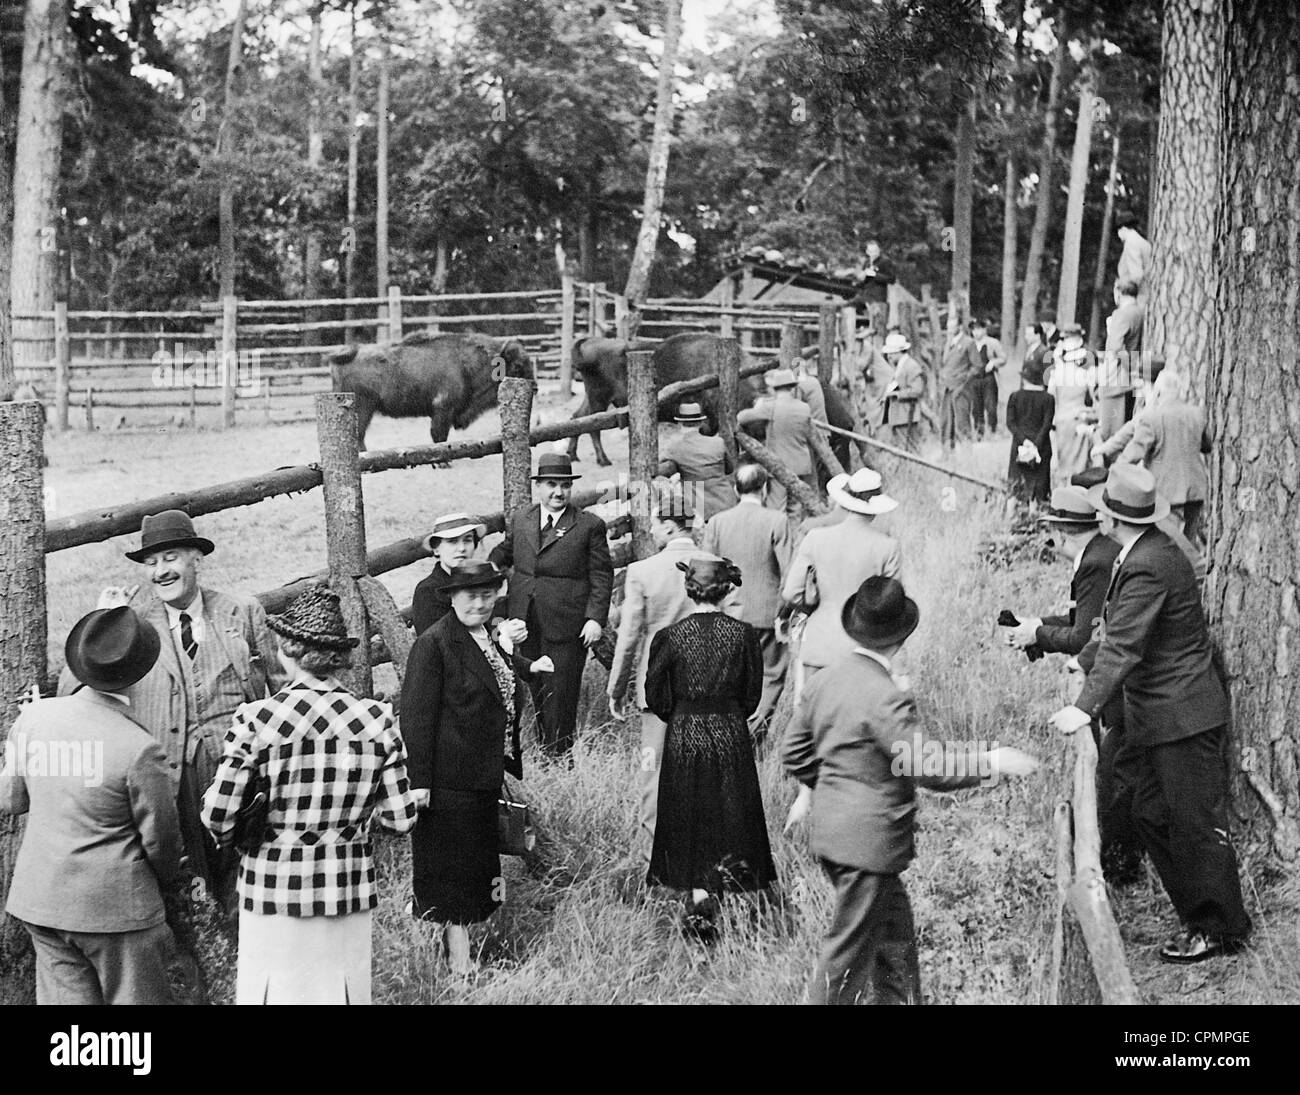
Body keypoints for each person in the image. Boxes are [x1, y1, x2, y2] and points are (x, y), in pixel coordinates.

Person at [783, 576, 1039, 1005]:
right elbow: (926, 764)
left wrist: (835, 788)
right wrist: (993, 761)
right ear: (901, 637)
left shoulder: (824, 681)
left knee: (894, 942)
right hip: (867, 845)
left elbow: (794, 753)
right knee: (844, 959)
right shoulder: (886, 695)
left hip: (837, 838)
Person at [1049, 465, 1251, 964]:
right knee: (1147, 811)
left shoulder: (1148, 562)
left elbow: (1122, 646)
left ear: (1112, 518)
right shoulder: (1141, 551)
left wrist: (1082, 708)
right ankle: (1198, 913)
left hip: (1182, 715)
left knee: (1194, 825)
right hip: (1160, 716)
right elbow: (1112, 630)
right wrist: (1082, 660)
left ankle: (1220, 928)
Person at [201, 585, 419, 1004]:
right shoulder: (377, 719)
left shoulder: (256, 720)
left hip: (271, 888)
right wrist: (351, 824)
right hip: (346, 888)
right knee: (340, 994)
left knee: (274, 993)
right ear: (340, 656)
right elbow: (401, 818)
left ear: (285, 650)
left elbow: (217, 815)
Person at [63, 510, 282, 925]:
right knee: (187, 887)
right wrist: (102, 623)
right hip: (171, 778)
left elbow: (282, 690)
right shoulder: (133, 625)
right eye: (151, 563)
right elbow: (73, 692)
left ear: (195, 559)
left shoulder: (242, 612)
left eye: (171, 558)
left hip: (240, 773)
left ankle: (248, 958)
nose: (161, 571)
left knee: (247, 875)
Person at [1, 607, 181, 1005]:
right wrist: (171, 882)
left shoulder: (33, 720)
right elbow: (162, 843)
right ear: (142, 672)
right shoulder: (139, 748)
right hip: (118, 911)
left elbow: (10, 800)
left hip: (43, 902)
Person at [401, 561, 543, 976]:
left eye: (487, 595)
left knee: (474, 869)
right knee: (452, 873)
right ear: (450, 597)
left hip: (481, 774)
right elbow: (416, 717)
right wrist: (420, 782)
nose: (479, 603)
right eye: (470, 596)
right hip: (448, 781)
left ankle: (467, 954)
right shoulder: (434, 644)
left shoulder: (485, 638)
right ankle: (458, 968)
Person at [1003, 487, 1142, 882]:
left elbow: (1087, 637)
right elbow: (1086, 622)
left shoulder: (1095, 563)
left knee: (1115, 771)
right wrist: (1037, 627)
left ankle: (1117, 862)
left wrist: (1039, 635)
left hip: (1125, 684)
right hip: (1120, 676)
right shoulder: (1098, 554)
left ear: (1062, 532)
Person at [644, 557, 774, 938]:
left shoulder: (669, 637)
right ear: (726, 590)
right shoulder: (744, 635)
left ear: (690, 590)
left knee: (689, 811)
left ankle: (700, 898)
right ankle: (722, 887)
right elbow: (753, 696)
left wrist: (681, 713)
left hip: (685, 733)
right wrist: (728, 713)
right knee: (730, 811)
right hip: (730, 732)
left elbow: (655, 694)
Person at [490, 452, 614, 756]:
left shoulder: (588, 526)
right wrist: (492, 563)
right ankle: (542, 744)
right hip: (525, 620)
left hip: (567, 622)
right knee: (535, 683)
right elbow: (509, 549)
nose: (558, 492)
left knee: (561, 688)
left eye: (564, 485)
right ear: (539, 486)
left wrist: (595, 619)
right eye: (550, 484)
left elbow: (601, 575)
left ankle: (559, 755)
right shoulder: (523, 518)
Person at [607, 491, 700, 865]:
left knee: (654, 770)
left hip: (657, 687)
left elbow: (629, 636)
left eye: (655, 524)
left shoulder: (643, 572)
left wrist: (617, 688)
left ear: (667, 525)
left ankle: (654, 855)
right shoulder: (716, 565)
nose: (651, 530)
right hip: (704, 684)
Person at [780, 468, 902, 694]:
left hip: (818, 645)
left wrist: (812, 602)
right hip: (864, 649)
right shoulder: (887, 547)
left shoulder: (815, 538)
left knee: (812, 718)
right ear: (874, 510)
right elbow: (893, 605)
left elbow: (791, 593)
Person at [700, 463, 794, 737]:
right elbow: (788, 571)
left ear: (735, 489)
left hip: (728, 614)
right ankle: (752, 732)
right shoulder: (777, 521)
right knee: (770, 676)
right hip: (766, 614)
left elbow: (706, 572)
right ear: (764, 489)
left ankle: (732, 732)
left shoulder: (717, 522)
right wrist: (785, 614)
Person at [1116, 369, 1210, 545]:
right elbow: (1207, 445)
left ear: (1158, 392)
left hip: (1166, 492)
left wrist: (1114, 470)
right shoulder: (1197, 414)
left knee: (1167, 542)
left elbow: (1134, 454)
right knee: (1188, 542)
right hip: (1196, 489)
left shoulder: (1151, 418)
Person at [737, 368, 817, 518]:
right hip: (801, 465)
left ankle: (779, 538)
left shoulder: (770, 406)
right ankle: (795, 538)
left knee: (777, 508)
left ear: (775, 388)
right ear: (792, 387)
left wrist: (758, 406)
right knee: (795, 508)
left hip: (779, 465)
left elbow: (741, 417)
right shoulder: (804, 407)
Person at [657, 401, 736, 524]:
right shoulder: (718, 443)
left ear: (679, 424)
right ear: (700, 423)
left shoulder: (675, 448)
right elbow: (729, 469)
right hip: (727, 504)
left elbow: (658, 468)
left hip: (700, 511)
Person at [1097, 280, 1145, 441]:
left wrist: (1130, 368)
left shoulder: (1123, 314)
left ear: (1119, 293)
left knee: (1111, 432)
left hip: (1116, 381)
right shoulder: (1139, 311)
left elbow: (1116, 345)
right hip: (1126, 380)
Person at [1004, 352, 1055, 503]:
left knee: (1016, 484)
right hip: (1042, 447)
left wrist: (1024, 441)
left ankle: (1011, 518)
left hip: (1019, 446)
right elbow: (1047, 424)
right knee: (1039, 487)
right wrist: (1036, 444)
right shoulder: (1048, 399)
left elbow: (1010, 423)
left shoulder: (1015, 397)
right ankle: (1036, 518)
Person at [1048, 325, 1094, 486]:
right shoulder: (1085, 374)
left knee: (1062, 463)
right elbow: (1094, 398)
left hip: (1060, 419)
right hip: (1079, 418)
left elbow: (1051, 398)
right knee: (1079, 464)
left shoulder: (1056, 375)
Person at [937, 319, 983, 448]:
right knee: (946, 421)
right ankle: (947, 452)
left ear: (959, 327)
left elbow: (977, 366)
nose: (950, 330)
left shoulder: (968, 343)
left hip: (962, 388)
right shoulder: (947, 343)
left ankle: (966, 451)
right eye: (948, 327)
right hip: (947, 387)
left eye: (952, 327)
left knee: (961, 420)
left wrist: (963, 378)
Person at [876, 332, 925, 451]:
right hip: (898, 415)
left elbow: (917, 390)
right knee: (902, 448)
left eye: (891, 353)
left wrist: (896, 394)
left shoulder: (912, 366)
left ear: (899, 351)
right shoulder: (898, 366)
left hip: (908, 414)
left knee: (911, 449)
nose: (889, 357)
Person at [969, 318, 1006, 439]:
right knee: (976, 407)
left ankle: (992, 430)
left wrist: (993, 363)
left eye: (979, 329)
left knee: (991, 405)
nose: (976, 332)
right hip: (974, 379)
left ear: (984, 330)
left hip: (988, 378)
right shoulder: (970, 344)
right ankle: (979, 432)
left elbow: (1003, 358)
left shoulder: (992, 343)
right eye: (974, 329)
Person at [1115, 211, 1153, 296]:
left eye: (1118, 230)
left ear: (1123, 229)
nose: (1118, 235)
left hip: (1138, 294)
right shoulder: (1143, 242)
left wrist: (1122, 287)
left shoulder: (1131, 243)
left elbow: (1136, 275)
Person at [854, 239, 895, 309]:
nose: (874, 253)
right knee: (847, 306)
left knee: (876, 317)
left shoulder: (885, 261)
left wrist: (874, 274)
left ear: (879, 250)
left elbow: (891, 279)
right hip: (864, 296)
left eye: (875, 250)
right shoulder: (867, 262)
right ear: (867, 252)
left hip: (877, 298)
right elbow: (864, 281)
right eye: (871, 251)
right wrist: (860, 279)